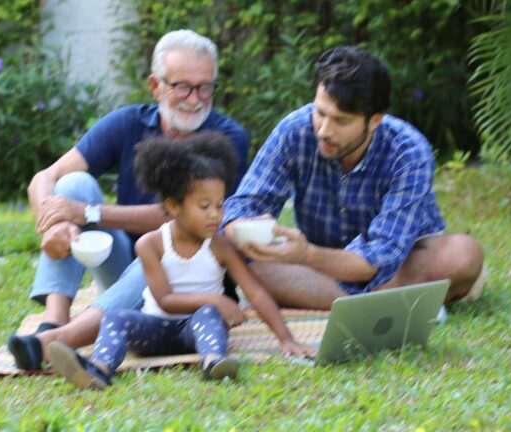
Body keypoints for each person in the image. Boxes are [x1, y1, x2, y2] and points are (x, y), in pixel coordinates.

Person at [7, 30, 250, 370]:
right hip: (125, 272)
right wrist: (54, 223)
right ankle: (54, 318)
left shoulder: (226, 138)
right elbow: (43, 178)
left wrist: (89, 212)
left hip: (187, 281)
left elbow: (178, 218)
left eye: (205, 86)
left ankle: (53, 342)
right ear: (155, 86)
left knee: (153, 252)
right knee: (73, 183)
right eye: (182, 85)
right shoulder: (129, 122)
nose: (195, 98)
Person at [222, 46, 486, 310]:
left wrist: (307, 255)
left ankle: (357, 298)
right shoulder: (295, 130)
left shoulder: (409, 151)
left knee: (462, 254)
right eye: (321, 113)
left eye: (341, 121)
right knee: (244, 262)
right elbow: (240, 207)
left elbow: (382, 257)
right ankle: (400, 300)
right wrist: (240, 228)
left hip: (398, 263)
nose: (324, 130)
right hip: (319, 264)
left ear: (374, 120)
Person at [44, 132, 315, 389]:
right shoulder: (151, 244)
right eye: (204, 206)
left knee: (209, 315)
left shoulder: (220, 246)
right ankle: (98, 369)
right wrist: (217, 299)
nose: (215, 215)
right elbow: (165, 300)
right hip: (154, 330)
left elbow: (254, 291)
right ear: (174, 206)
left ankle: (214, 362)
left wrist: (286, 338)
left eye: (220, 205)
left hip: (198, 333)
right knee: (114, 317)